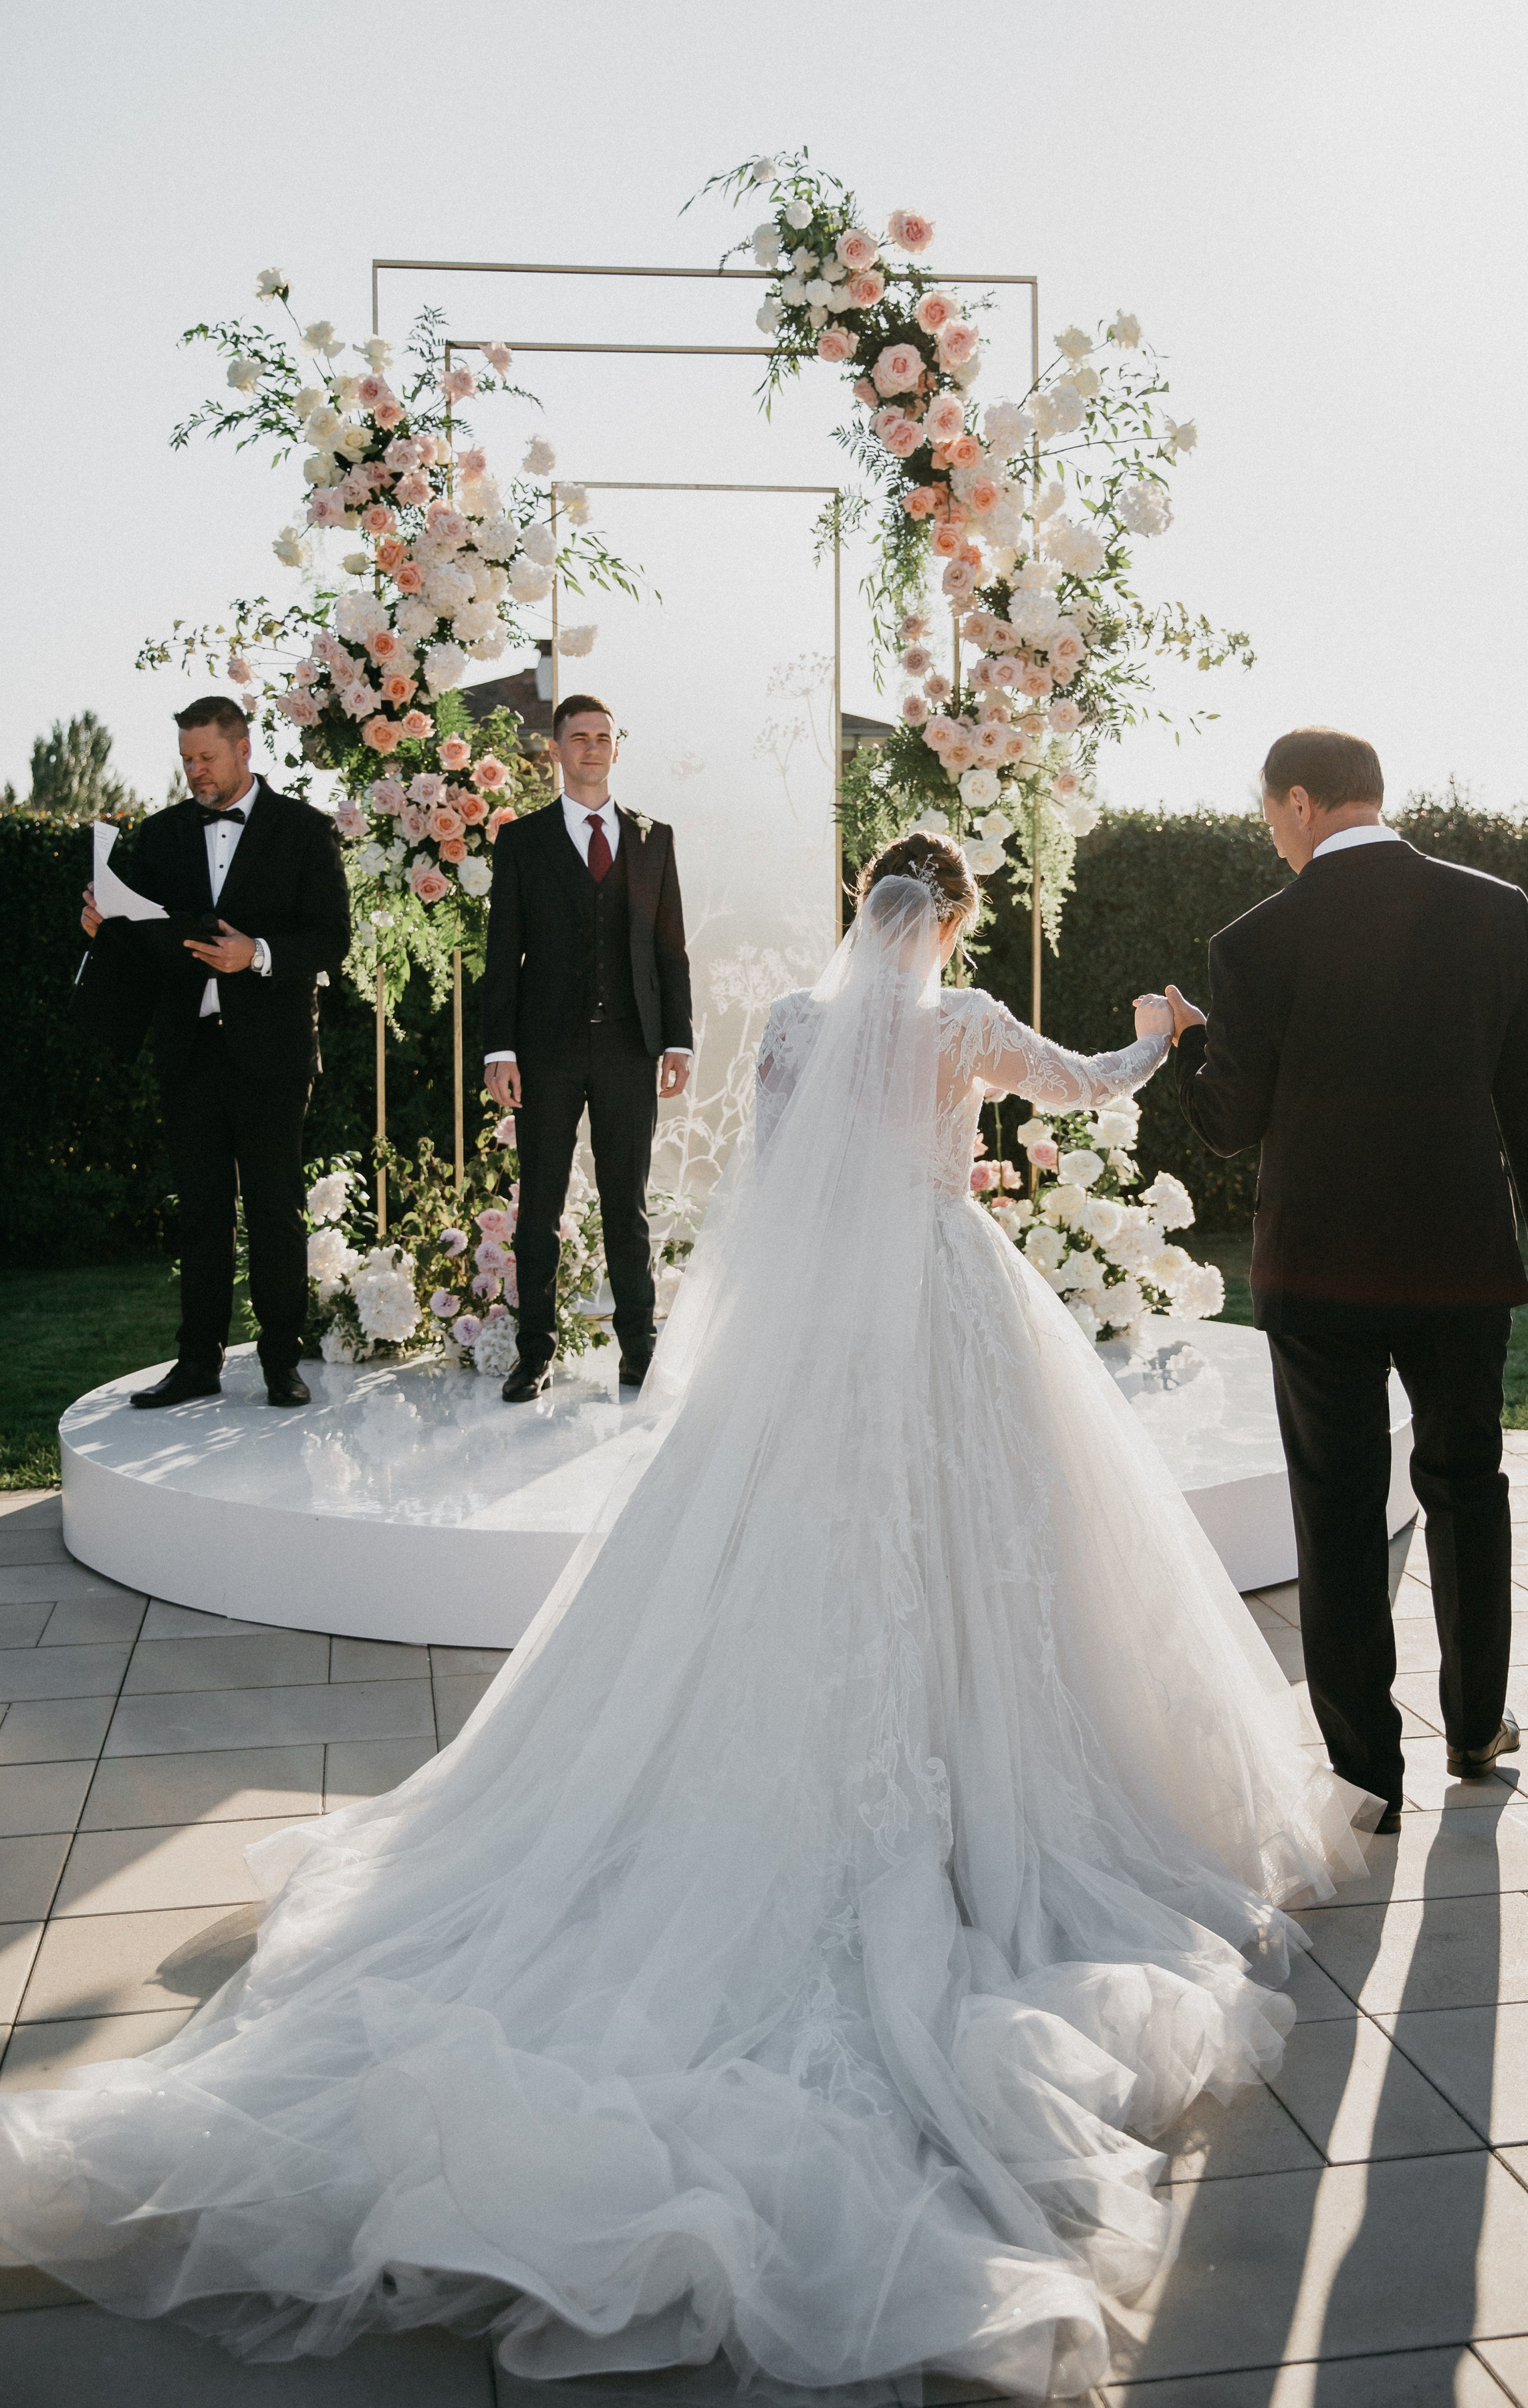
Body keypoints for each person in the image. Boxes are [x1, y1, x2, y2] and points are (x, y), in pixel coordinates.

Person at [0, 834, 1373, 2401]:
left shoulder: (793, 1026)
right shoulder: (967, 1021)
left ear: (861, 912)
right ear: (950, 924)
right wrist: (1159, 1024)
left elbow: (774, 1186)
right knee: (989, 1551)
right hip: (944, 1299)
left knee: (776, 1557)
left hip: (814, 1345)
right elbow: (1088, 1084)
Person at [1167, 726, 1528, 1832]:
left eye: (1270, 816)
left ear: (1302, 801)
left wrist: (1181, 1045)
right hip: (1460, 1263)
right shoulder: (1495, 911)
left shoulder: (1253, 943)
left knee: (1341, 1516)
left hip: (1318, 1273)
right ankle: (1477, 1725)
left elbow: (1230, 1123)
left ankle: (1366, 1775)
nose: (1272, 836)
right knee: (1467, 1487)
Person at [77, 695, 350, 1409]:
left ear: (243, 750)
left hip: (273, 1054)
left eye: (207, 757)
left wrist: (254, 954)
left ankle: (280, 1365)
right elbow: (141, 939)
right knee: (200, 1213)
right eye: (187, 760)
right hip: (188, 1051)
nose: (196, 771)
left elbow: (331, 939)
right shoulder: (162, 835)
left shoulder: (303, 831)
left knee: (274, 1210)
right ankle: (196, 1363)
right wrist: (103, 923)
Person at [481, 692, 692, 1401]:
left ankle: (639, 1349)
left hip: (631, 1046)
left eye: (604, 736)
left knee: (624, 1202)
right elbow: (501, 952)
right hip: (545, 1051)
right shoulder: (522, 841)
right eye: (578, 737)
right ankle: (533, 1354)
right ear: (555, 750)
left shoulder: (652, 837)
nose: (592, 748)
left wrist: (679, 1041)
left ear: (615, 747)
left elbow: (671, 951)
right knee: (538, 1203)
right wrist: (497, 1051)